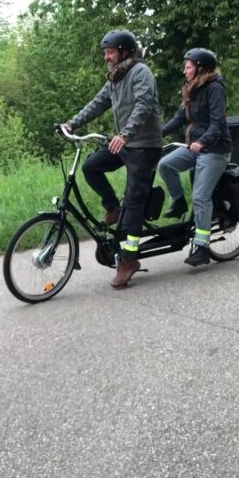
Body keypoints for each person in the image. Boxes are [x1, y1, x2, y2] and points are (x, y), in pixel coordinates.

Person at [61, 29, 163, 289]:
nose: (106, 57)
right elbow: (98, 103)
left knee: (134, 202)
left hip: (144, 146)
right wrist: (73, 123)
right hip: (125, 143)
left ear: (125, 51)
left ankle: (129, 260)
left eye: (110, 52)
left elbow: (144, 106)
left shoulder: (141, 72)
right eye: (105, 53)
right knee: (92, 166)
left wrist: (126, 134)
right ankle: (112, 207)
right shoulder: (116, 77)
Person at [157, 47, 231, 267]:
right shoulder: (192, 89)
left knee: (200, 197)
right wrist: (156, 133)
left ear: (200, 68)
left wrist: (202, 142)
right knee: (166, 164)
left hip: (215, 149)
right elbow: (180, 118)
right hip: (195, 146)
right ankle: (178, 202)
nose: (185, 71)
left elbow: (218, 123)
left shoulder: (215, 88)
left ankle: (201, 247)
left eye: (188, 67)